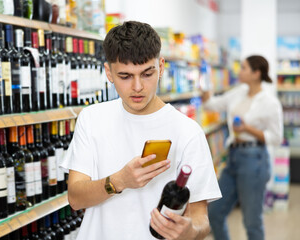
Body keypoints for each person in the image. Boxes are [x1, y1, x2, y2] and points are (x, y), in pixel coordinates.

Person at [62, 21, 221, 240]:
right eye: (125, 76)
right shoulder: (92, 119)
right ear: (109, 72)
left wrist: (190, 232)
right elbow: (75, 197)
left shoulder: (188, 131)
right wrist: (120, 181)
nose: (137, 87)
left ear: (161, 67)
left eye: (147, 74)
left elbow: (200, 217)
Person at [203, 55, 283, 240]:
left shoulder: (270, 103)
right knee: (214, 212)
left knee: (251, 222)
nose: (239, 71)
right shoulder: (238, 92)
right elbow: (212, 105)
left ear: (256, 74)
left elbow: (276, 138)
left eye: (244, 68)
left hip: (254, 160)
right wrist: (205, 92)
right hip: (233, 156)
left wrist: (248, 129)